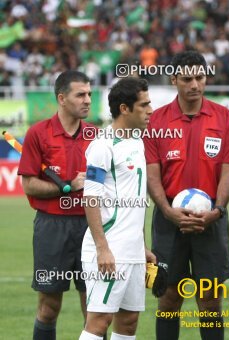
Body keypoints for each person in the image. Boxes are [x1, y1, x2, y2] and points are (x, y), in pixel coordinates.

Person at [144, 51, 229, 340]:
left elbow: (228, 171)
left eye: (200, 77)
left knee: (210, 302)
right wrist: (167, 210)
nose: (195, 85)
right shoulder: (157, 120)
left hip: (210, 219)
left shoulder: (223, 117)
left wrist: (218, 210)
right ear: (174, 79)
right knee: (169, 298)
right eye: (187, 79)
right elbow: (152, 175)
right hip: (167, 220)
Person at [17, 70, 94, 340]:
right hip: (52, 227)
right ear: (62, 98)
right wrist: (67, 186)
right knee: (49, 308)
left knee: (95, 310)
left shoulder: (97, 135)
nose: (87, 100)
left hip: (91, 227)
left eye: (89, 94)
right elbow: (29, 185)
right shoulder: (38, 133)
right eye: (80, 95)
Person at [78, 77, 156, 340]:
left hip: (131, 250)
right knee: (99, 321)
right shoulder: (102, 146)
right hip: (109, 250)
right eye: (144, 105)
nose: (151, 110)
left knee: (129, 322)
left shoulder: (138, 141)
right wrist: (102, 249)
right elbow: (91, 198)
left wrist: (140, 245)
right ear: (124, 109)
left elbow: (135, 200)